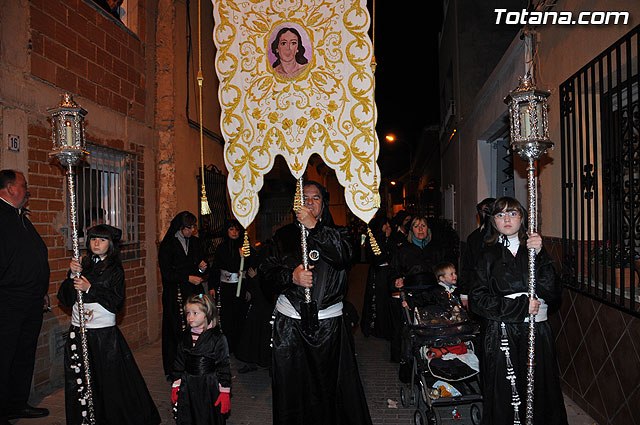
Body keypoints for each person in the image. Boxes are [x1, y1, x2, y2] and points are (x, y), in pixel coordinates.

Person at [260, 180, 372, 425]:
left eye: (316, 198)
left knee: (328, 389)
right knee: (293, 389)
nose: (309, 202)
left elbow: (344, 256)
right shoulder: (282, 236)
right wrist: (291, 277)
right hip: (290, 326)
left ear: (324, 203)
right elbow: (266, 275)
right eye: (305, 198)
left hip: (327, 327)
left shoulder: (340, 233)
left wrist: (315, 227)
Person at [469, 197, 568, 425]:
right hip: (502, 333)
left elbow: (552, 291)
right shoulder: (487, 255)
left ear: (522, 218)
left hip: (536, 332)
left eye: (512, 213)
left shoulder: (534, 251)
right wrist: (521, 307)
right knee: (505, 392)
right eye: (500, 214)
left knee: (539, 389)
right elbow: (477, 299)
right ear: (493, 221)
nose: (507, 219)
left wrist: (541, 254)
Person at [57, 224, 160, 425]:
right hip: (80, 331)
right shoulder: (82, 265)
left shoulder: (115, 270)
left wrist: (90, 289)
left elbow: (116, 302)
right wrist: (71, 275)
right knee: (83, 379)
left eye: (102, 240)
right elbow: (65, 298)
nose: (97, 243)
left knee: (110, 381)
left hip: (103, 336)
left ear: (110, 245)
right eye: (94, 239)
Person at [0, 170, 50, 424]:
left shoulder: (20, 217)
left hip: (30, 300)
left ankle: (16, 405)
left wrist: (40, 291)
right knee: (5, 356)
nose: (27, 190)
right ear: (9, 189)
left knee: (23, 355)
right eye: (23, 185)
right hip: (9, 302)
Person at [159, 211, 208, 379]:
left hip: (193, 293)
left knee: (196, 329)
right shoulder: (168, 245)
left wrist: (202, 269)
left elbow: (201, 264)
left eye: (193, 227)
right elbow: (166, 273)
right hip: (175, 294)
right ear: (180, 227)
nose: (191, 231)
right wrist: (187, 278)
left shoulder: (195, 242)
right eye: (188, 228)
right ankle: (175, 369)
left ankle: (195, 366)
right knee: (175, 332)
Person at [170, 294, 231, 425]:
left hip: (208, 386)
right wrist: (176, 383)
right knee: (189, 416)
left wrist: (225, 390)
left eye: (195, 313)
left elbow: (223, 365)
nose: (189, 317)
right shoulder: (185, 336)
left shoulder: (217, 338)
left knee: (206, 416)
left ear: (207, 313)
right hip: (188, 384)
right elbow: (179, 361)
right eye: (188, 313)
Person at [210, 219, 251, 354]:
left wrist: (242, 259)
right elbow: (216, 268)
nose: (234, 232)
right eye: (231, 229)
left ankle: (240, 346)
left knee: (241, 316)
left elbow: (251, 267)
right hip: (227, 288)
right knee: (227, 317)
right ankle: (228, 346)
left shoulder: (245, 246)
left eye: (237, 230)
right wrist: (212, 286)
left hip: (241, 286)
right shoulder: (222, 248)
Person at [234, 244, 274, 373]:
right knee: (252, 333)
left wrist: (255, 278)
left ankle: (266, 362)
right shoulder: (259, 262)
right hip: (258, 304)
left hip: (265, 306)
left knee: (263, 334)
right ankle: (253, 362)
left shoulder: (269, 265)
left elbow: (268, 285)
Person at [360, 214, 394, 339]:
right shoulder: (373, 240)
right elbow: (378, 258)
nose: (388, 227)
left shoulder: (387, 239)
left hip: (386, 274)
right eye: (386, 225)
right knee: (377, 301)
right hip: (378, 274)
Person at [459, 197, 495, 309]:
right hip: (478, 292)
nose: (487, 215)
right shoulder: (473, 238)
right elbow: (467, 266)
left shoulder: (504, 236)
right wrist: (464, 294)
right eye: (484, 211)